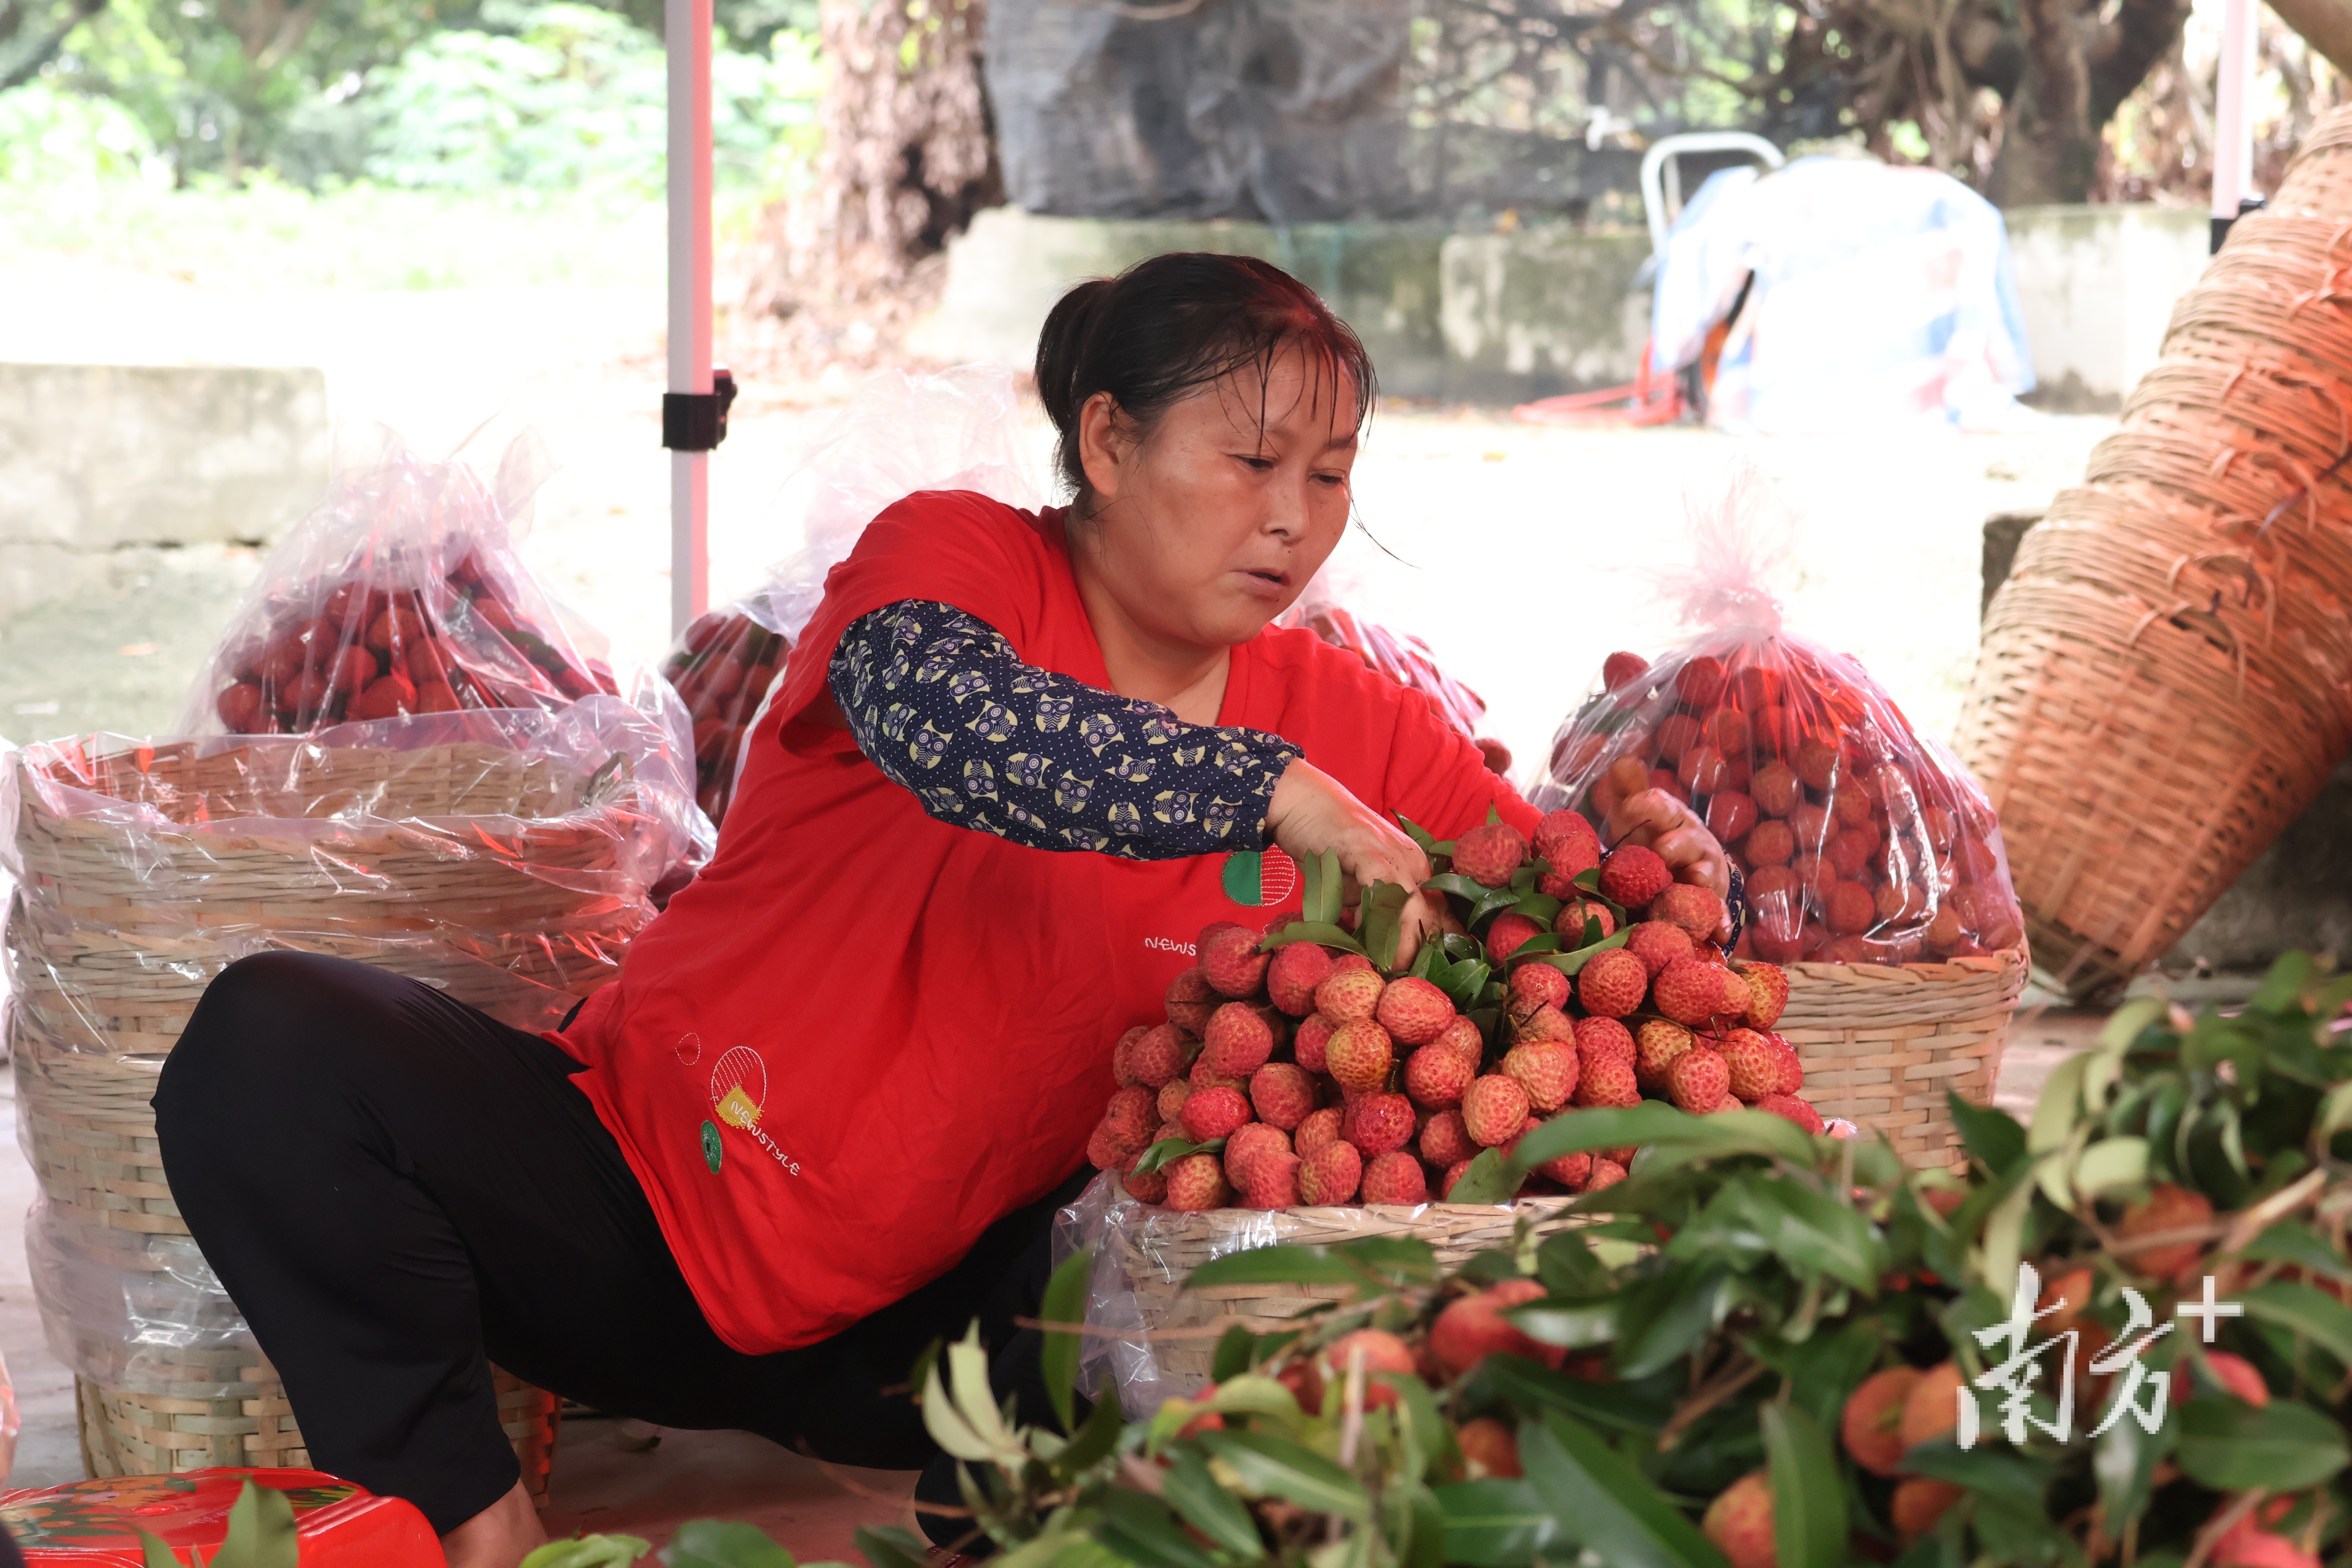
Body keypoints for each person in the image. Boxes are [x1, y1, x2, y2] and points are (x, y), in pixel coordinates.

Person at [154, 253, 1728, 1568]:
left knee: (1167, 1228)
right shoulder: (954, 559)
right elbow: (960, 729)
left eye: (1329, 478)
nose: (1295, 521)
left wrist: (1662, 876)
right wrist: (1266, 789)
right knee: (272, 1045)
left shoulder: (1360, 716)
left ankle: (1022, 1533)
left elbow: (1553, 911)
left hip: (942, 1334)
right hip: (640, 1196)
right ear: (1107, 443)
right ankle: (465, 1521)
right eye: (1251, 464)